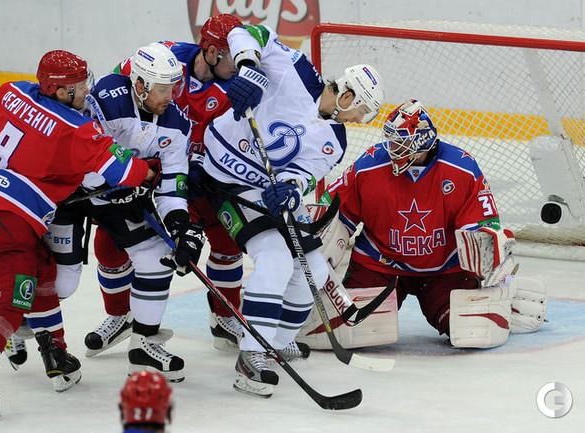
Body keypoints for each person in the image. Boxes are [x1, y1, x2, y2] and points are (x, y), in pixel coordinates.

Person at [0, 50, 161, 422]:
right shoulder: (77, 129)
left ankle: (56, 352)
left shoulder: (11, 91)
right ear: (62, 91)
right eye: (79, 85)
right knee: (7, 308)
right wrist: (151, 172)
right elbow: (122, 171)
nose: (87, 90)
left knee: (44, 272)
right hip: (6, 220)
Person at [200, 23, 384, 397]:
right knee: (275, 260)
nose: (359, 120)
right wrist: (248, 68)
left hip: (263, 189)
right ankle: (251, 354)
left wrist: (291, 191)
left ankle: (276, 342)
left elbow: (303, 175)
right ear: (347, 96)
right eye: (361, 110)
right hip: (223, 178)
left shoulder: (335, 140)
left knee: (314, 269)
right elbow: (246, 31)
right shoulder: (296, 69)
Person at [316, 98, 547, 350]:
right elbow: (333, 212)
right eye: (391, 140)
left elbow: (482, 225)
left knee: (472, 330)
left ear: (422, 142)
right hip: (380, 264)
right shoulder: (370, 165)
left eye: (401, 142)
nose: (393, 148)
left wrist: (488, 253)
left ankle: (506, 295)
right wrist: (319, 244)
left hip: (444, 270)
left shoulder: (461, 168)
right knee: (350, 328)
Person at [42, 42, 204, 384]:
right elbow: (85, 158)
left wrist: (179, 224)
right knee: (63, 282)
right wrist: (127, 178)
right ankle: (19, 322)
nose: (171, 96)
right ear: (140, 84)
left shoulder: (177, 124)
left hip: (120, 195)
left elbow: (173, 181)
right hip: (71, 192)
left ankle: (144, 346)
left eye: (174, 87)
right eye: (163, 88)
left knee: (157, 260)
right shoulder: (107, 98)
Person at [85, 14, 246, 357]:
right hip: (148, 170)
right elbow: (118, 102)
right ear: (212, 52)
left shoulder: (239, 87)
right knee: (109, 244)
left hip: (205, 171)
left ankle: (224, 317)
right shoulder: (165, 56)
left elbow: (238, 138)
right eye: (234, 56)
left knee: (226, 241)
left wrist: (204, 166)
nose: (239, 65)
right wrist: (127, 166)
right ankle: (121, 316)